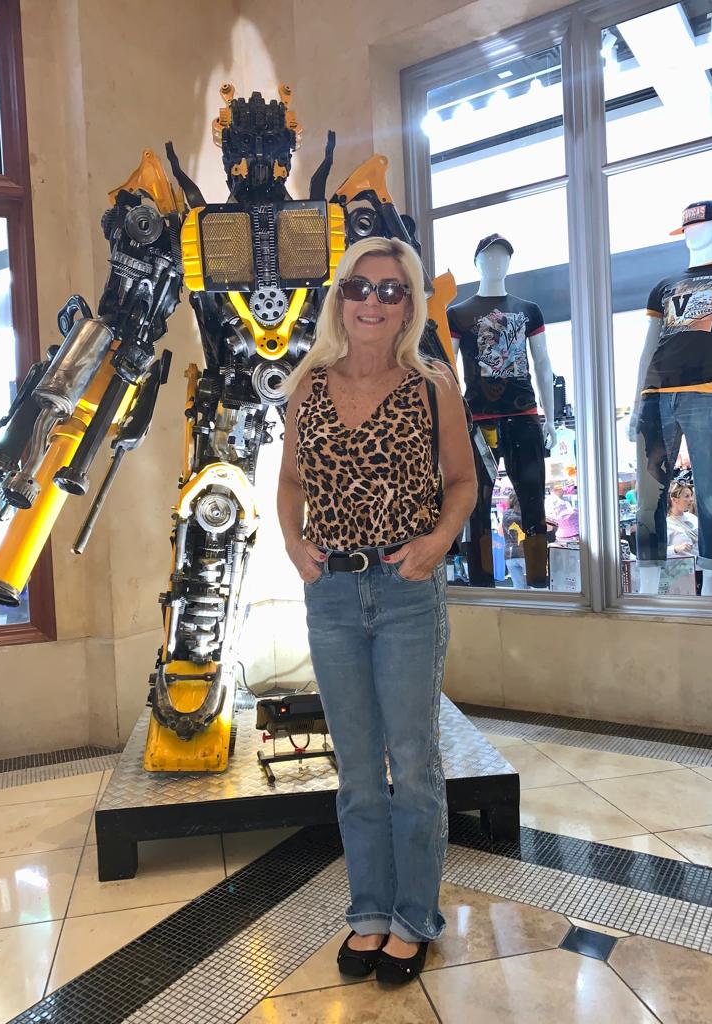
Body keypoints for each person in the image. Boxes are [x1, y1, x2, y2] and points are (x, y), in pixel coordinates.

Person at [277, 237, 477, 984]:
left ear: (410, 305)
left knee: (414, 763)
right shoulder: (308, 385)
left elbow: (463, 482)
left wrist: (436, 543)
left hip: (405, 590)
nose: (374, 301)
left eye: (392, 290)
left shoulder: (430, 386)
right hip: (331, 594)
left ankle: (413, 918)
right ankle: (369, 912)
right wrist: (294, 544)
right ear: (340, 297)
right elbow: (290, 480)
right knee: (357, 769)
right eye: (360, 287)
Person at [667, 481, 699, 559]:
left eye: (691, 495)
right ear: (674, 499)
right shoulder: (666, 523)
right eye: (686, 496)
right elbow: (657, 552)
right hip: (681, 565)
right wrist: (675, 549)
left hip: (701, 565)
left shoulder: (693, 518)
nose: (691, 499)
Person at [502, 492, 526, 589]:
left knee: (518, 586)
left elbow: (500, 532)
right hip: (525, 553)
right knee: (534, 587)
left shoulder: (505, 514)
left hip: (510, 554)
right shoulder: (527, 513)